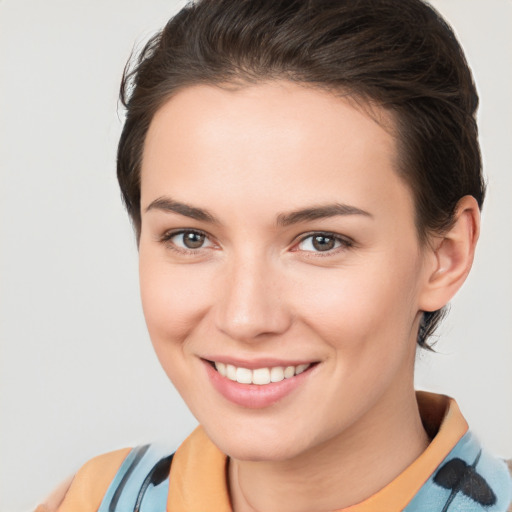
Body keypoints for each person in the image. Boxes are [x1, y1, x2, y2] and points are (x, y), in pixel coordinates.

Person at [36, 0, 512, 510]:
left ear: (445, 255)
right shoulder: (93, 499)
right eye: (191, 237)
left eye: (320, 241)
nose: (245, 318)